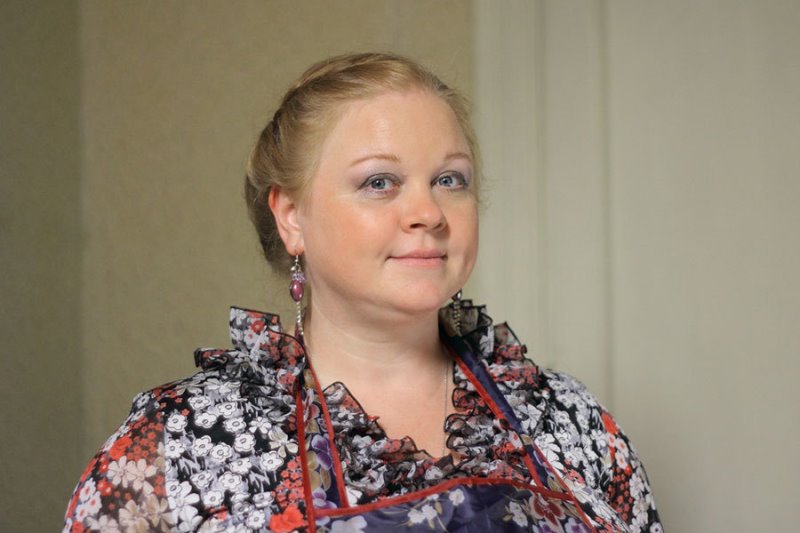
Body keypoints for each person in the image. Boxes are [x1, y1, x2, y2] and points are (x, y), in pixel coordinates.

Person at [64, 53, 661, 532]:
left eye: (449, 179)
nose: (429, 211)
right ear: (291, 216)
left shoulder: (566, 418)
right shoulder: (182, 440)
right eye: (380, 182)